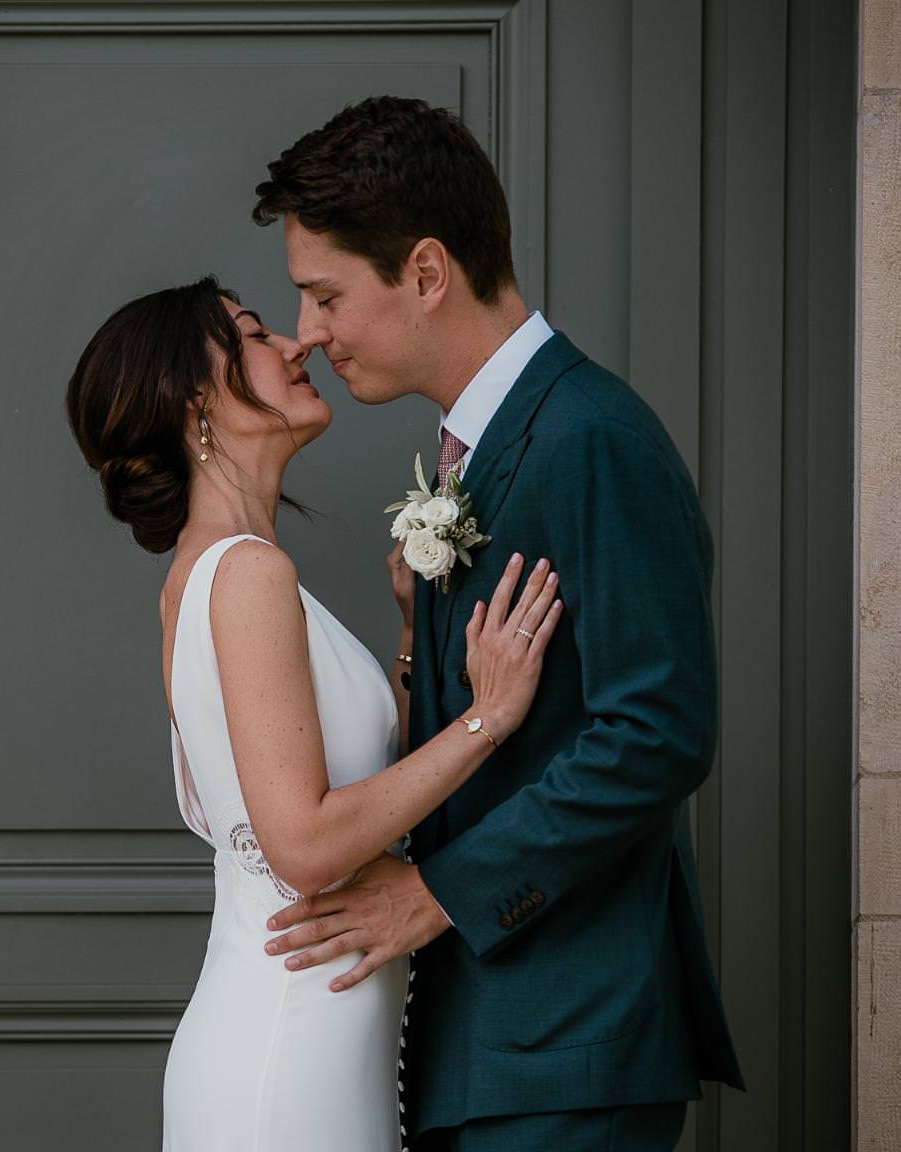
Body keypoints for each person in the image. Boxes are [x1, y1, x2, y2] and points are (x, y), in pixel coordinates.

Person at [250, 96, 746, 1151]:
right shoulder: (478, 446)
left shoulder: (595, 436)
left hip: (568, 1039)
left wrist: (434, 894)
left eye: (326, 296)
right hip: (483, 1049)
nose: (310, 334)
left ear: (426, 273)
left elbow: (657, 730)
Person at [65, 275, 565, 1150]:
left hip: (315, 1037)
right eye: (255, 334)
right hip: (287, 1054)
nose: (297, 346)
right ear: (196, 400)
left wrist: (412, 637)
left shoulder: (213, 574)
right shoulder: (248, 575)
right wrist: (490, 717)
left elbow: (350, 796)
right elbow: (303, 847)